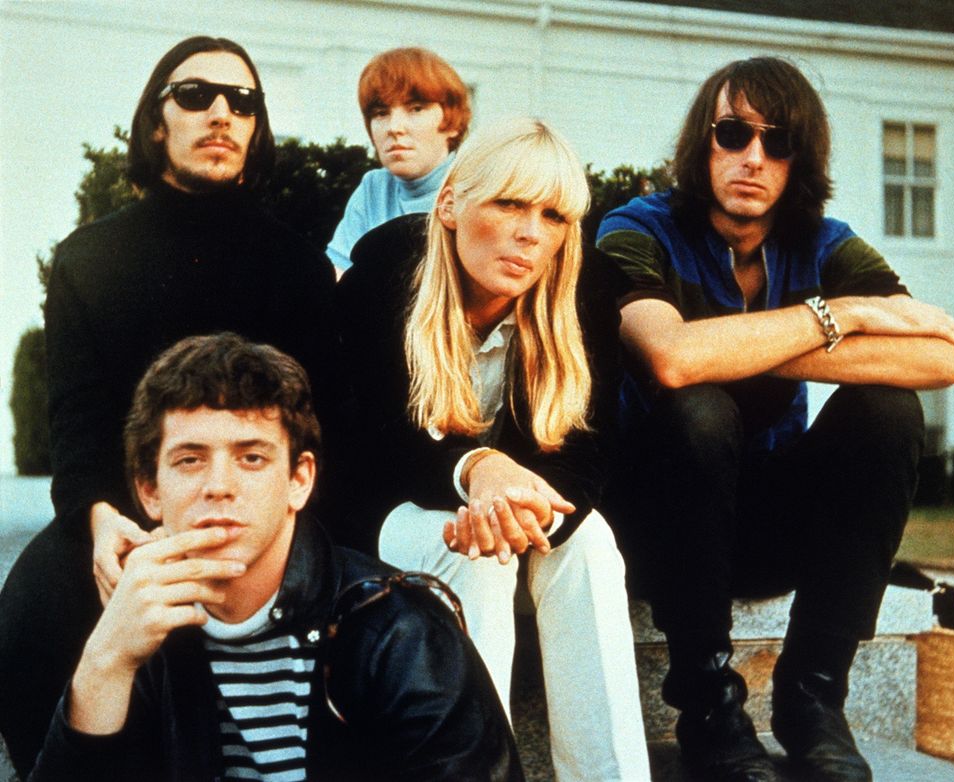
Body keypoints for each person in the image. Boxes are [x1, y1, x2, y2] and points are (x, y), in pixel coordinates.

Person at [597, 57, 954, 782]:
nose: (753, 158)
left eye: (778, 141)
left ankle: (812, 699)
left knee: (888, 410)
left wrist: (751, 348)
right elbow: (671, 359)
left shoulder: (825, 243)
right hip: (656, 528)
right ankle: (707, 706)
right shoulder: (636, 229)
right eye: (733, 133)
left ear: (803, 158)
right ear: (702, 144)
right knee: (697, 407)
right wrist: (845, 316)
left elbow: (937, 357)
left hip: (763, 529)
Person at [0, 36, 340, 777]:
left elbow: (320, 423)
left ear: (255, 129)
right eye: (195, 96)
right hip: (130, 505)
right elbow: (78, 421)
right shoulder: (88, 260)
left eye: (242, 102)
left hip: (261, 505)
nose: (221, 112)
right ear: (157, 122)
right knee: (33, 611)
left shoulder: (298, 266)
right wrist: (99, 520)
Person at [28, 332, 520, 781]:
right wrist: (104, 661)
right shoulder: (133, 636)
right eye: (190, 459)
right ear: (150, 491)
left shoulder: (399, 634)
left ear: (299, 480)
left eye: (252, 457)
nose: (219, 487)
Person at [334, 118, 650, 782]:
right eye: (509, 203)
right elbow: (374, 445)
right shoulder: (385, 272)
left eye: (553, 215)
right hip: (379, 517)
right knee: (474, 556)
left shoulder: (579, 289)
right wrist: (480, 467)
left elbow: (588, 453)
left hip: (504, 515)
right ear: (449, 205)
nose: (531, 232)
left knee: (588, 545)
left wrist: (517, 507)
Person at [325, 46, 470, 275]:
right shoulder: (374, 188)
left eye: (416, 109)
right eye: (381, 113)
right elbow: (337, 272)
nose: (394, 128)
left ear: (452, 122)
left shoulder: (476, 192)